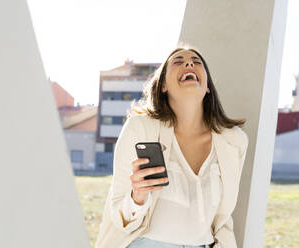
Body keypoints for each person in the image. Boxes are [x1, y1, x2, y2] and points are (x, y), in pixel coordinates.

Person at [94, 45, 249, 248]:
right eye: (178, 61)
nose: (189, 63)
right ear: (164, 85)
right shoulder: (139, 129)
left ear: (208, 86)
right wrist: (137, 197)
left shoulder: (233, 141)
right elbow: (118, 216)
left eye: (197, 61)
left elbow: (223, 217)